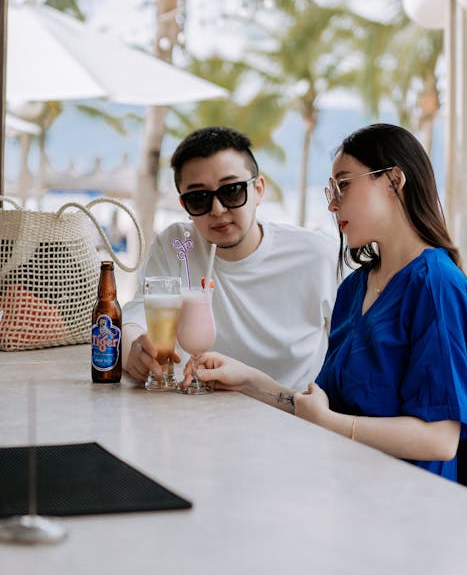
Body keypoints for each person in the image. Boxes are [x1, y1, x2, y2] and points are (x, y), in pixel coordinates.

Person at [192, 123, 467, 482]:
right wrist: (247, 379)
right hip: (342, 488)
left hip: (408, 510)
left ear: (393, 180)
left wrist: (330, 423)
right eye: (331, 189)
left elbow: (439, 440)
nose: (331, 203)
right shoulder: (354, 287)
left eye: (343, 185)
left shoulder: (436, 285)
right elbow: (320, 407)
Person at [122, 126, 337, 389]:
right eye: (199, 198)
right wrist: (135, 350)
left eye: (232, 190)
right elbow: (136, 316)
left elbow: (351, 352)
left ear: (258, 190)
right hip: (196, 417)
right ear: (185, 206)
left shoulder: (317, 256)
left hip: (291, 420)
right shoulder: (177, 245)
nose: (217, 209)